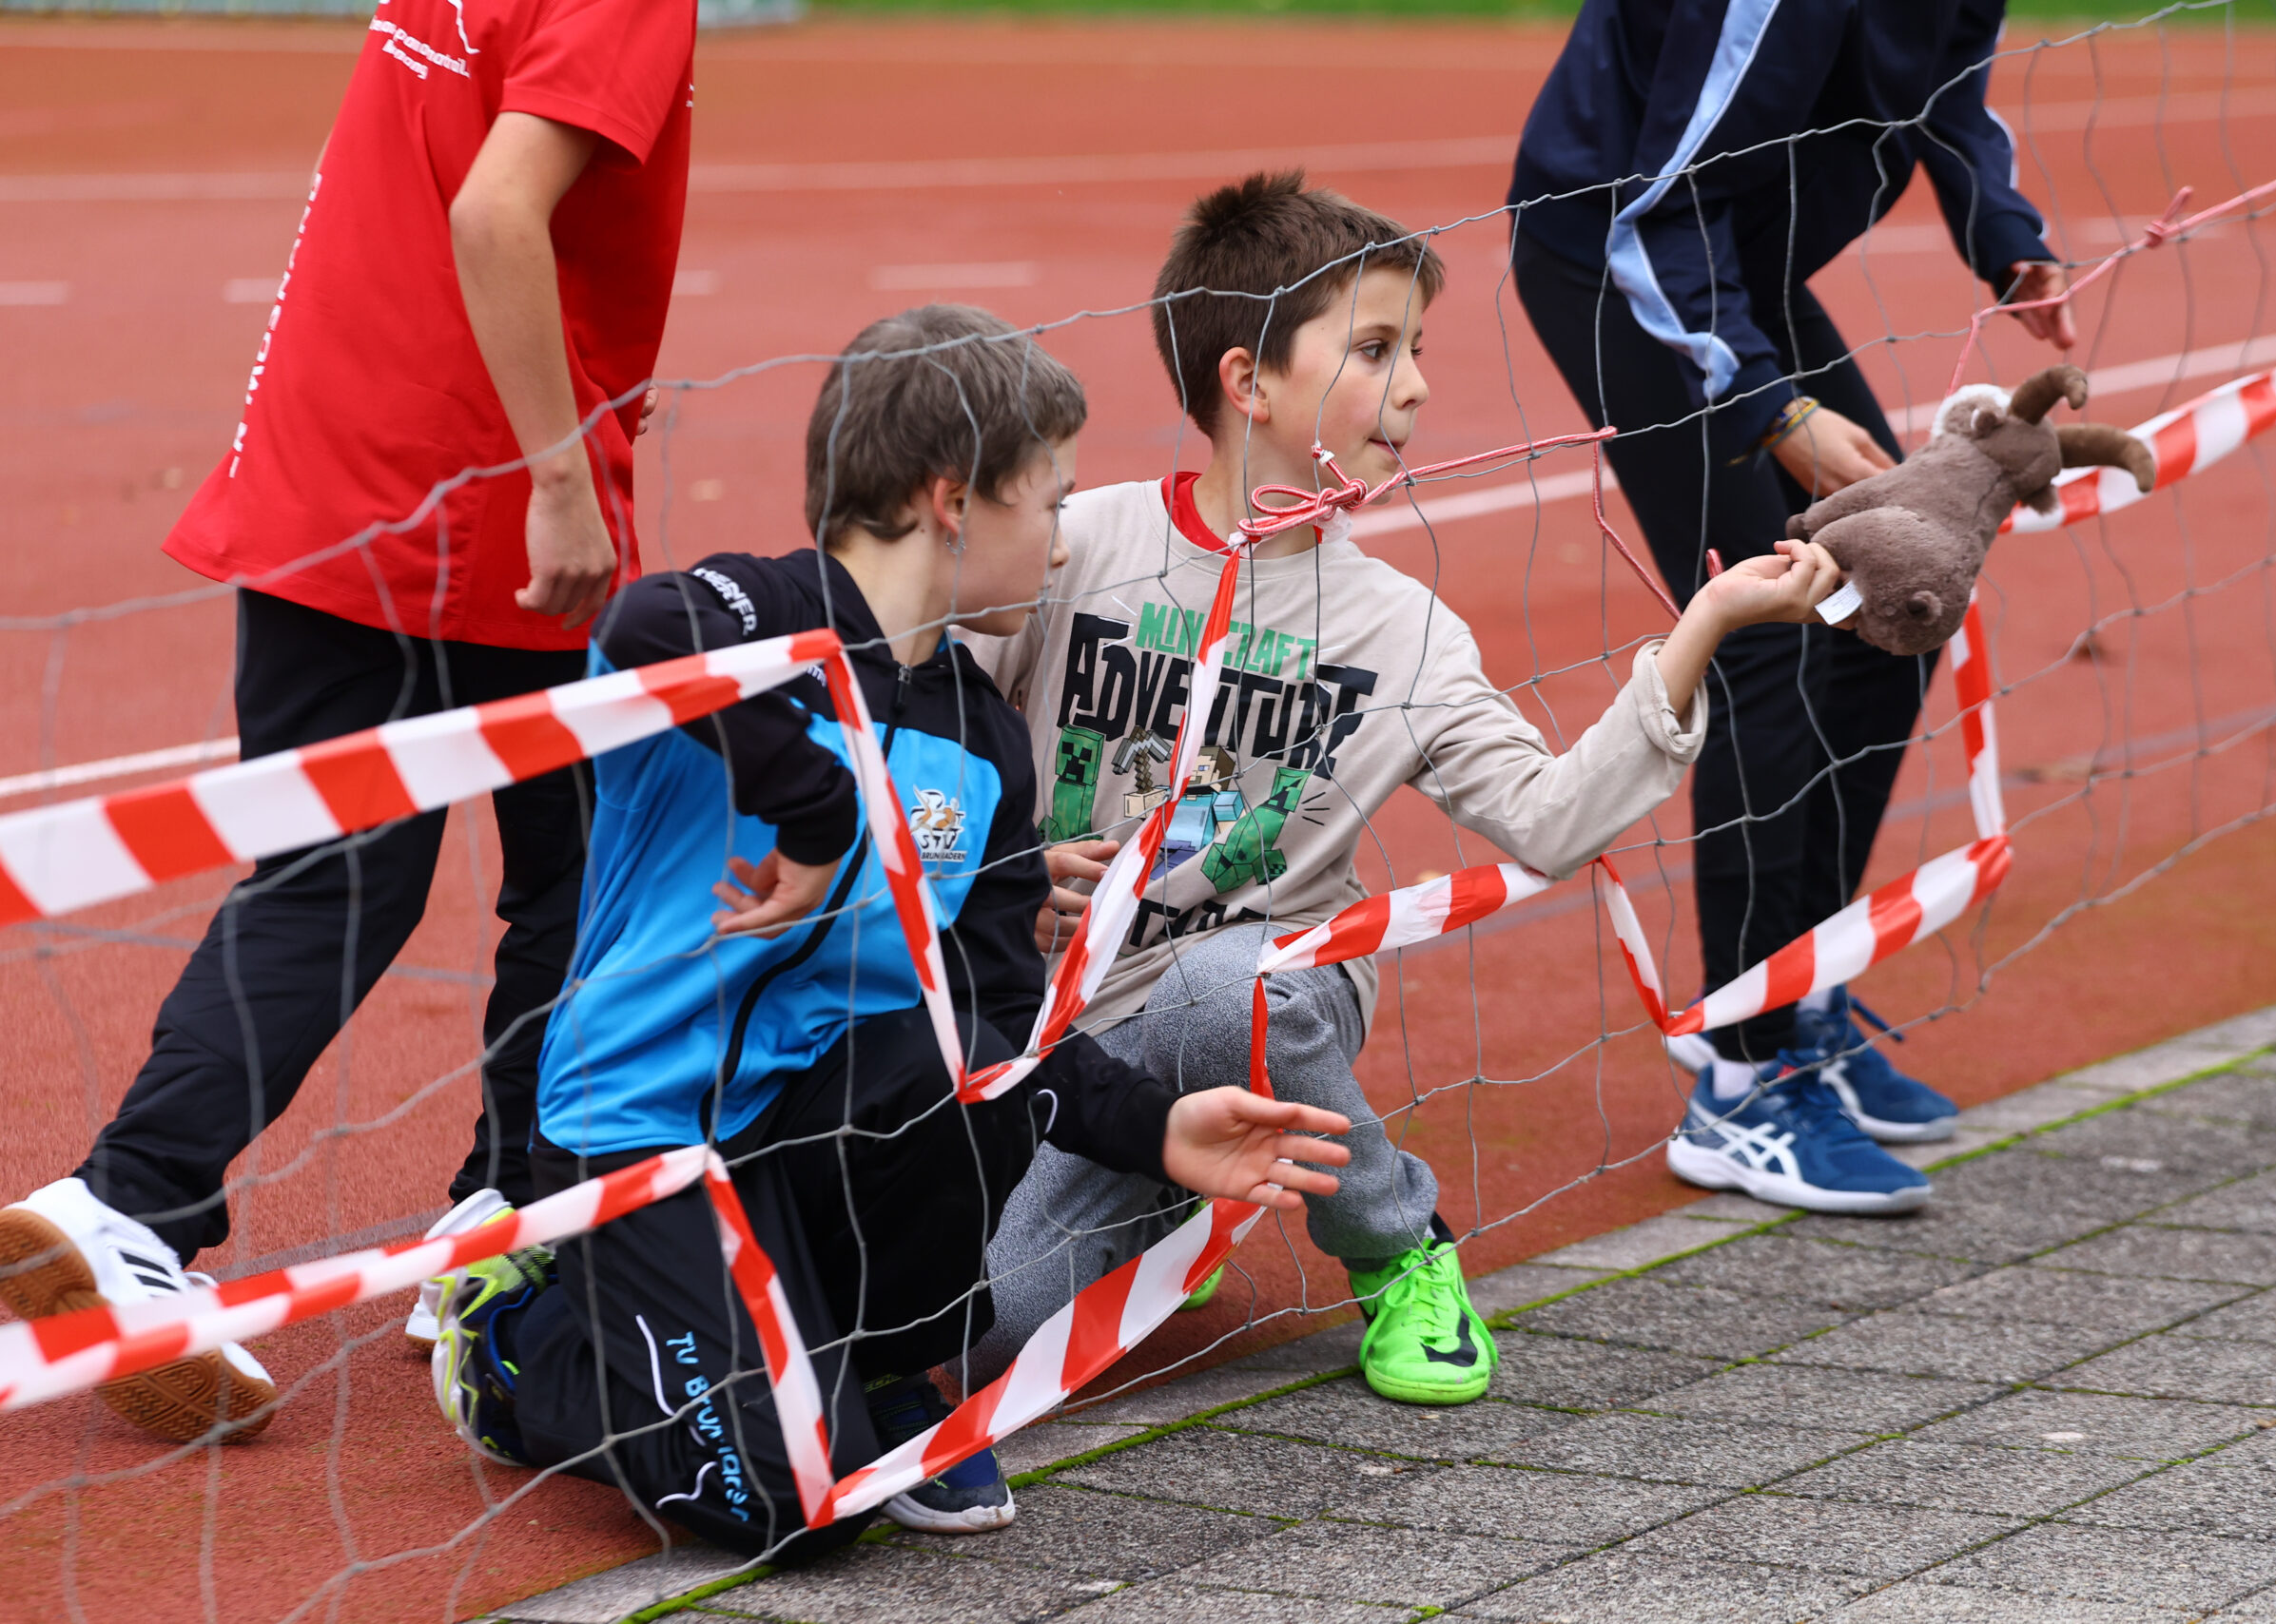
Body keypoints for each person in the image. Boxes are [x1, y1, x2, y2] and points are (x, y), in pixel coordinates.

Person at [425, 305, 1355, 1558]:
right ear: (951, 501)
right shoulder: (753, 614)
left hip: (806, 1133)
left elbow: (998, 1017)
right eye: (1050, 502)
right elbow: (637, 629)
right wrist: (819, 816)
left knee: (952, 1067)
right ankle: (520, 1343)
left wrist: (1153, 1126)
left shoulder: (980, 740)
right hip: (639, 1136)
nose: (1063, 543)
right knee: (791, 1514)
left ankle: (882, 1367)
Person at [963, 172, 1845, 1411]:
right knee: (970, 1330)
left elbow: (1550, 818)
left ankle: (1398, 1245)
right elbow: (924, 742)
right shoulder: (1076, 546)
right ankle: (1169, 1189)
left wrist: (1704, 625)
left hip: (1264, 996)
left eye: (1415, 348)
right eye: (1377, 349)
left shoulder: (1402, 631)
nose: (1419, 385)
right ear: (1248, 381)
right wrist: (991, 870)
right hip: (1057, 1031)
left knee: (1228, 988)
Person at [0, 0, 695, 1441]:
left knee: (374, 866)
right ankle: (463, 1223)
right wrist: (560, 478)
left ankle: (160, 1204)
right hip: (466, 497)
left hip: (327, 459)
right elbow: (495, 209)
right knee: (568, 869)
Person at [1506, 0, 2079, 1213]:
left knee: (1898, 594)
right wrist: (1770, 406)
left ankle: (1799, 981)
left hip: (1739, 265)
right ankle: (1743, 1078)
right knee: (1767, 634)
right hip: (1627, 255)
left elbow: (1950, 89)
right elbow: (1661, 205)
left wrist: (2004, 232)